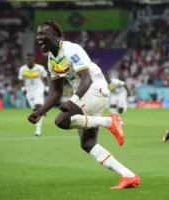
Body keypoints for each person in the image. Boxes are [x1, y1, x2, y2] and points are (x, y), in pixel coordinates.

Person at [28, 21, 140, 189]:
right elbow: (56, 92)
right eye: (37, 36)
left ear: (55, 37)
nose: (39, 39)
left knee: (62, 121)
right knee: (88, 144)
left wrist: (72, 100)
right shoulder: (52, 59)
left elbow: (87, 78)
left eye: (43, 35)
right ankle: (128, 175)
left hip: (94, 89)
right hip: (87, 94)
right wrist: (40, 111)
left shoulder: (71, 49)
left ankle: (109, 122)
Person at [18, 53, 49, 136]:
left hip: (39, 88)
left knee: (37, 110)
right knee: (34, 110)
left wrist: (46, 88)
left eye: (29, 59)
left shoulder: (40, 68)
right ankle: (43, 109)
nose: (28, 60)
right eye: (27, 59)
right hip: (29, 91)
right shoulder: (22, 69)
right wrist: (23, 89)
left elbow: (45, 78)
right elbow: (20, 80)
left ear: (33, 59)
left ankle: (38, 130)